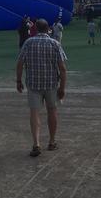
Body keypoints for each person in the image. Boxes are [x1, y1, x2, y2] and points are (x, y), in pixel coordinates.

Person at [16, 19, 67, 157]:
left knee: (34, 113)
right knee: (52, 111)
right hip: (51, 84)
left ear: (36, 29)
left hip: (33, 84)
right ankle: (51, 141)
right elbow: (62, 69)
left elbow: (20, 63)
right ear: (48, 29)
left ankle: (36, 143)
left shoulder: (28, 43)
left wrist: (18, 81)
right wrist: (62, 88)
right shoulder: (55, 43)